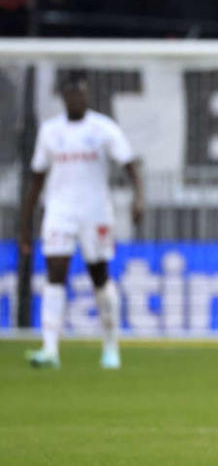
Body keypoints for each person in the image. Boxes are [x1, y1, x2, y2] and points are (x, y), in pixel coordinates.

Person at [19, 74, 144, 370]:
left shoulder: (102, 128)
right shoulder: (50, 131)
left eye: (83, 94)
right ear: (64, 97)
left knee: (99, 275)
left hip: (95, 213)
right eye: (73, 94)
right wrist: (25, 225)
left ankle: (111, 347)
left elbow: (129, 164)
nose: (78, 99)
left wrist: (139, 198)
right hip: (59, 212)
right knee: (54, 274)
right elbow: (36, 180)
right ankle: (50, 350)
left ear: (88, 96)